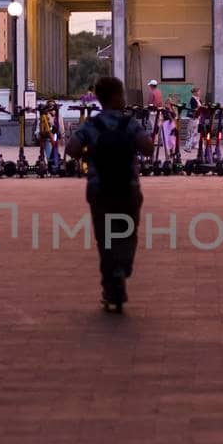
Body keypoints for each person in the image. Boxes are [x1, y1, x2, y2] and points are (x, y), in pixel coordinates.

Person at [66, 76, 154, 310]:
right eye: (122, 94)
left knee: (104, 240)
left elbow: (71, 148)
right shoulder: (130, 124)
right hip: (128, 187)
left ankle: (111, 287)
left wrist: (90, 152)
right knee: (128, 232)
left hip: (100, 188)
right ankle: (122, 266)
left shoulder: (91, 125)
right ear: (116, 97)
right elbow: (148, 147)